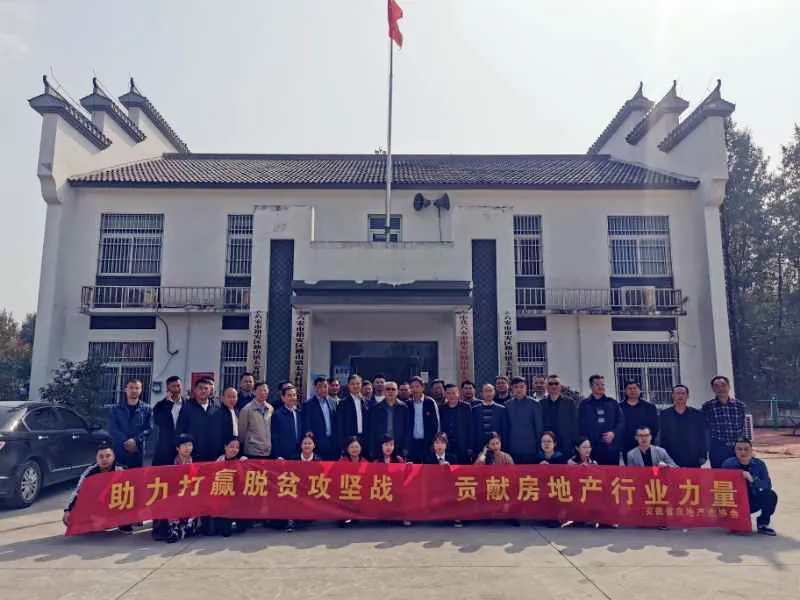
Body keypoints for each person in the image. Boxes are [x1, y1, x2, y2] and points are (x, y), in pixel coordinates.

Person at [63, 441, 126, 531]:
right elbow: (78, 491)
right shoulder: (90, 471)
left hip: (116, 502)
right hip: (98, 503)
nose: (104, 459)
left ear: (113, 457)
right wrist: (67, 510)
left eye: (108, 456)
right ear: (96, 458)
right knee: (70, 518)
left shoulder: (121, 470)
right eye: (101, 457)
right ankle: (97, 522)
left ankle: (122, 523)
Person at [722, 437, 778, 536]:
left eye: (746, 449)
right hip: (734, 502)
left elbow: (767, 484)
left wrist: (752, 479)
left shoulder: (759, 464)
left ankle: (762, 524)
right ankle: (732, 521)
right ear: (735, 451)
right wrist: (738, 475)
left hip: (751, 501)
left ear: (751, 450)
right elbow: (721, 484)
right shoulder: (728, 464)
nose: (743, 452)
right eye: (739, 449)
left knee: (771, 495)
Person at [578, 375, 624, 465]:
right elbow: (579, 426)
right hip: (591, 449)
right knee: (593, 473)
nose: (600, 387)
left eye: (602, 384)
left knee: (611, 473)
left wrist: (613, 433)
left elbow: (621, 422)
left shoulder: (612, 403)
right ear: (591, 386)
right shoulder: (584, 405)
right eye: (597, 384)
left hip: (611, 449)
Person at [107, 378, 152, 469]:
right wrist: (126, 442)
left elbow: (149, 429)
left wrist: (135, 440)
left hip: (137, 452)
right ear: (125, 389)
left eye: (137, 388)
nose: (134, 390)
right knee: (118, 477)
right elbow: (112, 428)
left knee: (136, 476)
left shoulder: (147, 410)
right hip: (119, 451)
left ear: (141, 390)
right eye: (131, 387)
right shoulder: (115, 409)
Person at [659, 385, 707, 467]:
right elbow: (662, 436)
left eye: (683, 393)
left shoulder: (697, 414)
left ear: (687, 396)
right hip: (671, 455)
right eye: (677, 393)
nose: (680, 396)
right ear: (673, 395)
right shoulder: (665, 414)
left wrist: (703, 454)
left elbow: (702, 435)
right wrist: (662, 455)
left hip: (692, 456)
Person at [703, 375, 746, 468]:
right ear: (713, 389)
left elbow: (742, 427)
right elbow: (706, 429)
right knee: (719, 474)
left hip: (736, 447)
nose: (720, 388)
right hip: (718, 448)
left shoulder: (739, 405)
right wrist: (706, 449)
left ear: (729, 386)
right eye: (717, 386)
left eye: (723, 385)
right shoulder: (707, 406)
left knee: (738, 473)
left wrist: (746, 447)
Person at [166, 434, 201, 542]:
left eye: (190, 445)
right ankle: (174, 528)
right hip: (175, 493)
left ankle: (188, 525)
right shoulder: (170, 462)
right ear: (177, 448)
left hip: (192, 493)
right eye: (184, 445)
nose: (187, 448)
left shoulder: (196, 461)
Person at [177, 378, 221, 461]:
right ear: (195, 390)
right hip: (193, 454)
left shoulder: (217, 407)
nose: (203, 391)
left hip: (214, 454)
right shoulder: (187, 407)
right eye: (200, 388)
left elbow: (221, 429)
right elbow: (180, 430)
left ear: (210, 390)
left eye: (206, 388)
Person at [214, 435, 248, 537]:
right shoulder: (218, 461)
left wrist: (245, 464)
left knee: (242, 529)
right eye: (231, 446)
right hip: (223, 499)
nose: (234, 449)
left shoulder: (241, 461)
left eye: (237, 447)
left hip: (237, 500)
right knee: (225, 532)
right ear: (225, 447)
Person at [504, 376, 543, 464]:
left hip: (531, 449)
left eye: (522, 387)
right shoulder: (507, 405)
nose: (519, 389)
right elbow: (506, 428)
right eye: (516, 387)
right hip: (512, 448)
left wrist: (539, 448)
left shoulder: (534, 404)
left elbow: (539, 428)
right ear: (512, 389)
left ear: (526, 388)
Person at [619, 380, 660, 464]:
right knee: (631, 470)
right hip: (627, 445)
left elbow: (655, 426)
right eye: (629, 388)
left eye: (635, 388)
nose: (632, 391)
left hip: (646, 444)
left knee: (647, 469)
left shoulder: (649, 407)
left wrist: (647, 440)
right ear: (625, 391)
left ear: (640, 390)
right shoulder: (619, 407)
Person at [367, 380, 409, 460]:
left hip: (398, 447)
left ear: (397, 392)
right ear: (384, 391)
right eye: (388, 389)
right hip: (380, 448)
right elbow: (371, 430)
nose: (390, 391)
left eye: (393, 389)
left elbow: (407, 430)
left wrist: (406, 447)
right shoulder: (376, 408)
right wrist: (372, 449)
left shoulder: (403, 408)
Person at [406, 376, 440, 463]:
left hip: (427, 443)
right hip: (412, 443)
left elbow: (436, 424)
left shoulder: (430, 402)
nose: (415, 389)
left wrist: (434, 442)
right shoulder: (408, 404)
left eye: (417, 386)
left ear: (423, 387)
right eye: (412, 387)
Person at [303, 377, 338, 460]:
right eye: (320, 387)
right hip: (317, 444)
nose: (323, 389)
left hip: (333, 443)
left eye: (325, 386)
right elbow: (306, 424)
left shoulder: (333, 402)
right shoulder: (308, 404)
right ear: (315, 388)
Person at [540, 374, 579, 450]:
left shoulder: (570, 403)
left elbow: (575, 424)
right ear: (546, 387)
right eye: (550, 384)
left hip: (566, 445)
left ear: (560, 386)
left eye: (556, 383)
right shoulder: (541, 404)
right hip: (547, 446)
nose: (554, 386)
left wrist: (575, 443)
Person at [151, 375, 183, 466]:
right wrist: (169, 404)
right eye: (173, 386)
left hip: (183, 447)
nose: (177, 389)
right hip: (165, 447)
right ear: (168, 388)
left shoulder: (188, 404)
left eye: (178, 386)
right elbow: (160, 422)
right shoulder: (160, 406)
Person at [471, 383, 509, 458]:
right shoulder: (475, 409)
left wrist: (504, 447)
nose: (488, 393)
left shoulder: (501, 409)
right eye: (486, 391)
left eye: (490, 391)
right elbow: (472, 429)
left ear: (494, 392)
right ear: (482, 393)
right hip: (479, 446)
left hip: (496, 447)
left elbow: (504, 430)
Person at [438, 383, 473, 464]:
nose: (451, 396)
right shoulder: (441, 408)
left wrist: (470, 446)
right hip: (447, 445)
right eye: (448, 393)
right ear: (445, 394)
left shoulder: (466, 407)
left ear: (458, 393)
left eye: (454, 393)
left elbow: (471, 427)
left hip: (463, 445)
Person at [238, 381, 274, 459]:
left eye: (265, 390)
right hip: (252, 451)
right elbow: (242, 432)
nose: (263, 393)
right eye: (260, 390)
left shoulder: (270, 408)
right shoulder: (246, 410)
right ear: (254, 392)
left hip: (267, 452)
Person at [271, 382, 303, 460]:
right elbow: (275, 437)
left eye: (294, 395)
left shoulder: (300, 412)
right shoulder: (277, 415)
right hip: (284, 455)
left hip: (299, 454)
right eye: (289, 395)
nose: (292, 398)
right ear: (283, 398)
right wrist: (278, 455)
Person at [335, 374, 368, 450]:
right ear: (348, 385)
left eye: (357, 383)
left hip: (364, 439)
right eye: (352, 384)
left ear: (361, 385)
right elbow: (339, 426)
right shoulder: (343, 403)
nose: (355, 386)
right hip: (349, 440)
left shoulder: (366, 402)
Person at [212, 387, 240, 458]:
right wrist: (222, 452)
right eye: (229, 396)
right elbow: (216, 435)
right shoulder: (217, 412)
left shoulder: (237, 411)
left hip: (235, 451)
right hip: (222, 452)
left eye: (234, 397)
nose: (232, 399)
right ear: (222, 398)